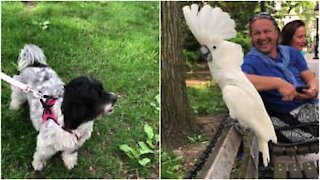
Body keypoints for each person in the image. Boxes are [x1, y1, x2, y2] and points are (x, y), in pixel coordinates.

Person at [241, 12, 319, 143]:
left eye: (267, 31)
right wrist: (277, 83)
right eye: (257, 33)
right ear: (252, 37)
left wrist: (312, 91)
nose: (262, 37)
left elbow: (311, 79)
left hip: (310, 111)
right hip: (286, 120)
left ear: (277, 33)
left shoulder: (291, 52)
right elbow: (239, 80)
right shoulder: (252, 61)